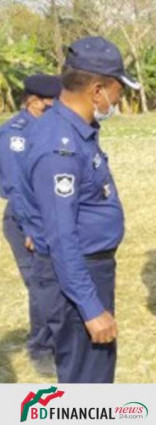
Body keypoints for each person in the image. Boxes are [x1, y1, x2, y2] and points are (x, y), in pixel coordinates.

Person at [17, 36, 140, 383]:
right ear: (98, 90)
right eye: (119, 90)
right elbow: (61, 236)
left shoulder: (75, 130)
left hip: (88, 270)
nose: (119, 99)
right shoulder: (60, 147)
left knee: (94, 374)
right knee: (87, 381)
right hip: (75, 278)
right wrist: (89, 308)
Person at [0, 73, 61, 376]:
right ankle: (40, 348)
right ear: (34, 101)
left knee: (55, 280)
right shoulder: (15, 135)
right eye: (51, 103)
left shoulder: (50, 127)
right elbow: (15, 188)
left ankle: (57, 338)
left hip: (50, 215)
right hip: (25, 220)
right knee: (40, 286)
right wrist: (31, 230)